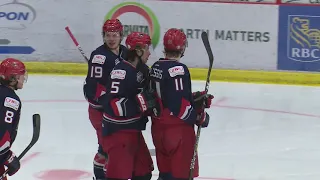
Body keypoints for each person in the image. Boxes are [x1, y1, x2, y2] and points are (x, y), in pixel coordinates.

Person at [149, 28, 214, 180]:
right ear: (183, 47)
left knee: (165, 174)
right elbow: (178, 105)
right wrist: (197, 116)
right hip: (177, 132)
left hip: (159, 130)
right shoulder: (179, 69)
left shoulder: (156, 67)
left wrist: (195, 98)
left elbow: (167, 96)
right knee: (181, 175)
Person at [101, 32, 159, 180]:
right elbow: (114, 105)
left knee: (143, 171)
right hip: (119, 134)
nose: (149, 52)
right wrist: (141, 104)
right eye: (146, 49)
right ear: (138, 51)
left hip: (133, 132)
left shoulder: (142, 70)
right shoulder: (121, 72)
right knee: (118, 176)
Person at [82, 19, 127, 180]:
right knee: (106, 148)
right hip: (100, 111)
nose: (111, 39)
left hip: (115, 111)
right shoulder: (99, 57)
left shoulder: (125, 52)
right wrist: (106, 102)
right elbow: (93, 89)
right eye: (108, 35)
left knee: (112, 147)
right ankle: (100, 177)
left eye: (115, 35)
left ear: (121, 35)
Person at [0, 58, 28, 180]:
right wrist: (7, 156)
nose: (23, 78)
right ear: (13, 78)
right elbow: (3, 133)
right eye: (21, 75)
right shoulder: (11, 100)